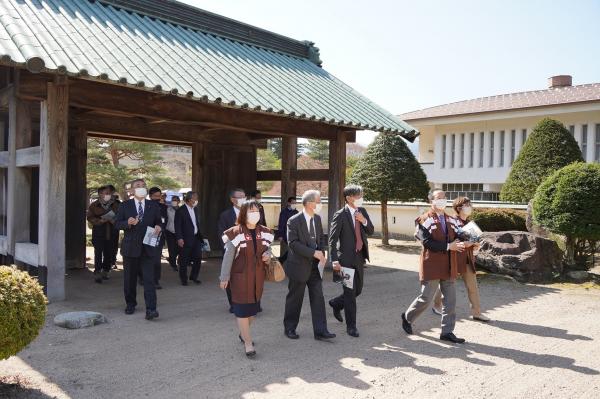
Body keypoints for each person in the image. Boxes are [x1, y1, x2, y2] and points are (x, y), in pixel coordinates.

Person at [401, 189, 466, 343]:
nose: (442, 200)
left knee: (450, 301)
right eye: (438, 198)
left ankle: (447, 332)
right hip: (432, 264)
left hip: (449, 265)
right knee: (426, 298)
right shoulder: (423, 220)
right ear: (431, 201)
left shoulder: (451, 219)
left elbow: (460, 235)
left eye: (444, 197)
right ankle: (407, 317)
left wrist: (470, 238)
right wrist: (449, 247)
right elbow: (427, 242)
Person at [220, 200, 274, 358]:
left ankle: (243, 333)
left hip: (258, 277)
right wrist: (224, 277)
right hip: (240, 277)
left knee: (252, 311)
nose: (255, 213)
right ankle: (248, 343)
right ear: (243, 213)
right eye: (251, 211)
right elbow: (228, 256)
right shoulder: (235, 232)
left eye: (257, 210)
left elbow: (268, 248)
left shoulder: (264, 231)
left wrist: (267, 254)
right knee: (242, 311)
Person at [283, 190, 335, 341]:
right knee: (295, 298)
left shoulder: (317, 219)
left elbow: (321, 239)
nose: (320, 204)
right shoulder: (293, 221)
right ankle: (290, 328)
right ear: (309, 203)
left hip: (315, 267)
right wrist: (313, 252)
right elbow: (292, 243)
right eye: (319, 201)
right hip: (298, 266)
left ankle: (321, 331)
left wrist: (322, 254)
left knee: (318, 297)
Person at [432, 197, 491, 322]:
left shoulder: (470, 224)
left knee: (473, 286)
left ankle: (477, 313)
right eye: (467, 205)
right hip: (453, 257)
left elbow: (473, 242)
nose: (469, 207)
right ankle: (437, 306)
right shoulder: (451, 221)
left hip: (467, 259)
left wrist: (475, 245)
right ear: (459, 208)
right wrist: (466, 244)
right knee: (446, 284)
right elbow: (450, 240)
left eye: (470, 204)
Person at [328, 184, 374, 337]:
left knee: (358, 290)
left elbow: (371, 230)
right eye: (358, 196)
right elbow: (332, 240)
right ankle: (351, 326)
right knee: (349, 293)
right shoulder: (340, 215)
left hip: (359, 258)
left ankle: (336, 303)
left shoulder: (363, 212)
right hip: (345, 260)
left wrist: (363, 221)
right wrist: (334, 260)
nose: (361, 198)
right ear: (349, 198)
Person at [115, 178, 162, 320]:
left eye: (143, 185)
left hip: (148, 247)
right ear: (131, 190)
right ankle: (130, 304)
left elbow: (159, 222)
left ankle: (151, 309)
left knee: (149, 279)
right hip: (130, 248)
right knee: (129, 279)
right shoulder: (125, 205)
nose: (141, 187)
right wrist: (127, 223)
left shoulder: (153, 206)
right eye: (137, 185)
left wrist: (159, 227)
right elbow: (117, 224)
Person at [217, 188, 246, 312]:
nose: (243, 199)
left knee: (249, 278)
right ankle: (233, 304)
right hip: (232, 252)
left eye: (244, 197)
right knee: (231, 278)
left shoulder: (251, 212)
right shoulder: (225, 215)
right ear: (232, 200)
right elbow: (221, 233)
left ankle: (252, 303)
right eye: (240, 197)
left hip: (248, 251)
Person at [87, 185, 120, 283]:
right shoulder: (94, 205)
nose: (108, 195)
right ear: (100, 194)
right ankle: (97, 272)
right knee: (98, 252)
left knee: (109, 252)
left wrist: (113, 220)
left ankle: (106, 270)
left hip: (112, 232)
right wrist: (100, 220)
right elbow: (89, 217)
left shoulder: (116, 204)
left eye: (109, 193)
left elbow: (121, 215)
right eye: (106, 193)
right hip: (99, 232)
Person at [175, 191, 204, 285]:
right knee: (183, 260)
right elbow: (177, 226)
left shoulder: (195, 209)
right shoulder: (181, 210)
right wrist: (179, 238)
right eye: (195, 198)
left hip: (196, 238)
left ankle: (194, 277)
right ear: (189, 199)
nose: (196, 200)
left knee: (198, 258)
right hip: (185, 238)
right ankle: (184, 279)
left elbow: (196, 223)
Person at [149, 187, 167, 289]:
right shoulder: (146, 205)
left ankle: (156, 280)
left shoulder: (163, 207)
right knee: (146, 258)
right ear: (150, 196)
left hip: (158, 234)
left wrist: (161, 227)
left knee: (156, 259)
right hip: (148, 233)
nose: (157, 198)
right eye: (155, 196)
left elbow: (165, 220)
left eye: (159, 196)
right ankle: (142, 277)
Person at [276, 196, 298, 263]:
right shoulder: (284, 212)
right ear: (288, 203)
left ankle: (282, 261)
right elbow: (281, 224)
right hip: (286, 234)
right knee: (292, 248)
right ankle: (281, 260)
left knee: (293, 249)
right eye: (292, 203)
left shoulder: (296, 212)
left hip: (295, 234)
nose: (294, 204)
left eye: (295, 203)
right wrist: (280, 235)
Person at [107, 184, 121, 270]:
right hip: (102, 227)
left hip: (114, 228)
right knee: (104, 246)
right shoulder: (100, 202)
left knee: (113, 245)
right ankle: (105, 262)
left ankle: (112, 261)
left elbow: (121, 215)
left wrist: (113, 219)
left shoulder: (118, 203)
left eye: (108, 191)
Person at [165, 195, 180, 271]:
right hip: (169, 231)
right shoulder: (168, 209)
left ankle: (172, 259)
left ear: (179, 201)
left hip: (179, 232)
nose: (174, 201)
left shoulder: (182, 210)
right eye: (173, 200)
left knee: (178, 248)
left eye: (175, 200)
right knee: (171, 248)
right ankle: (174, 265)